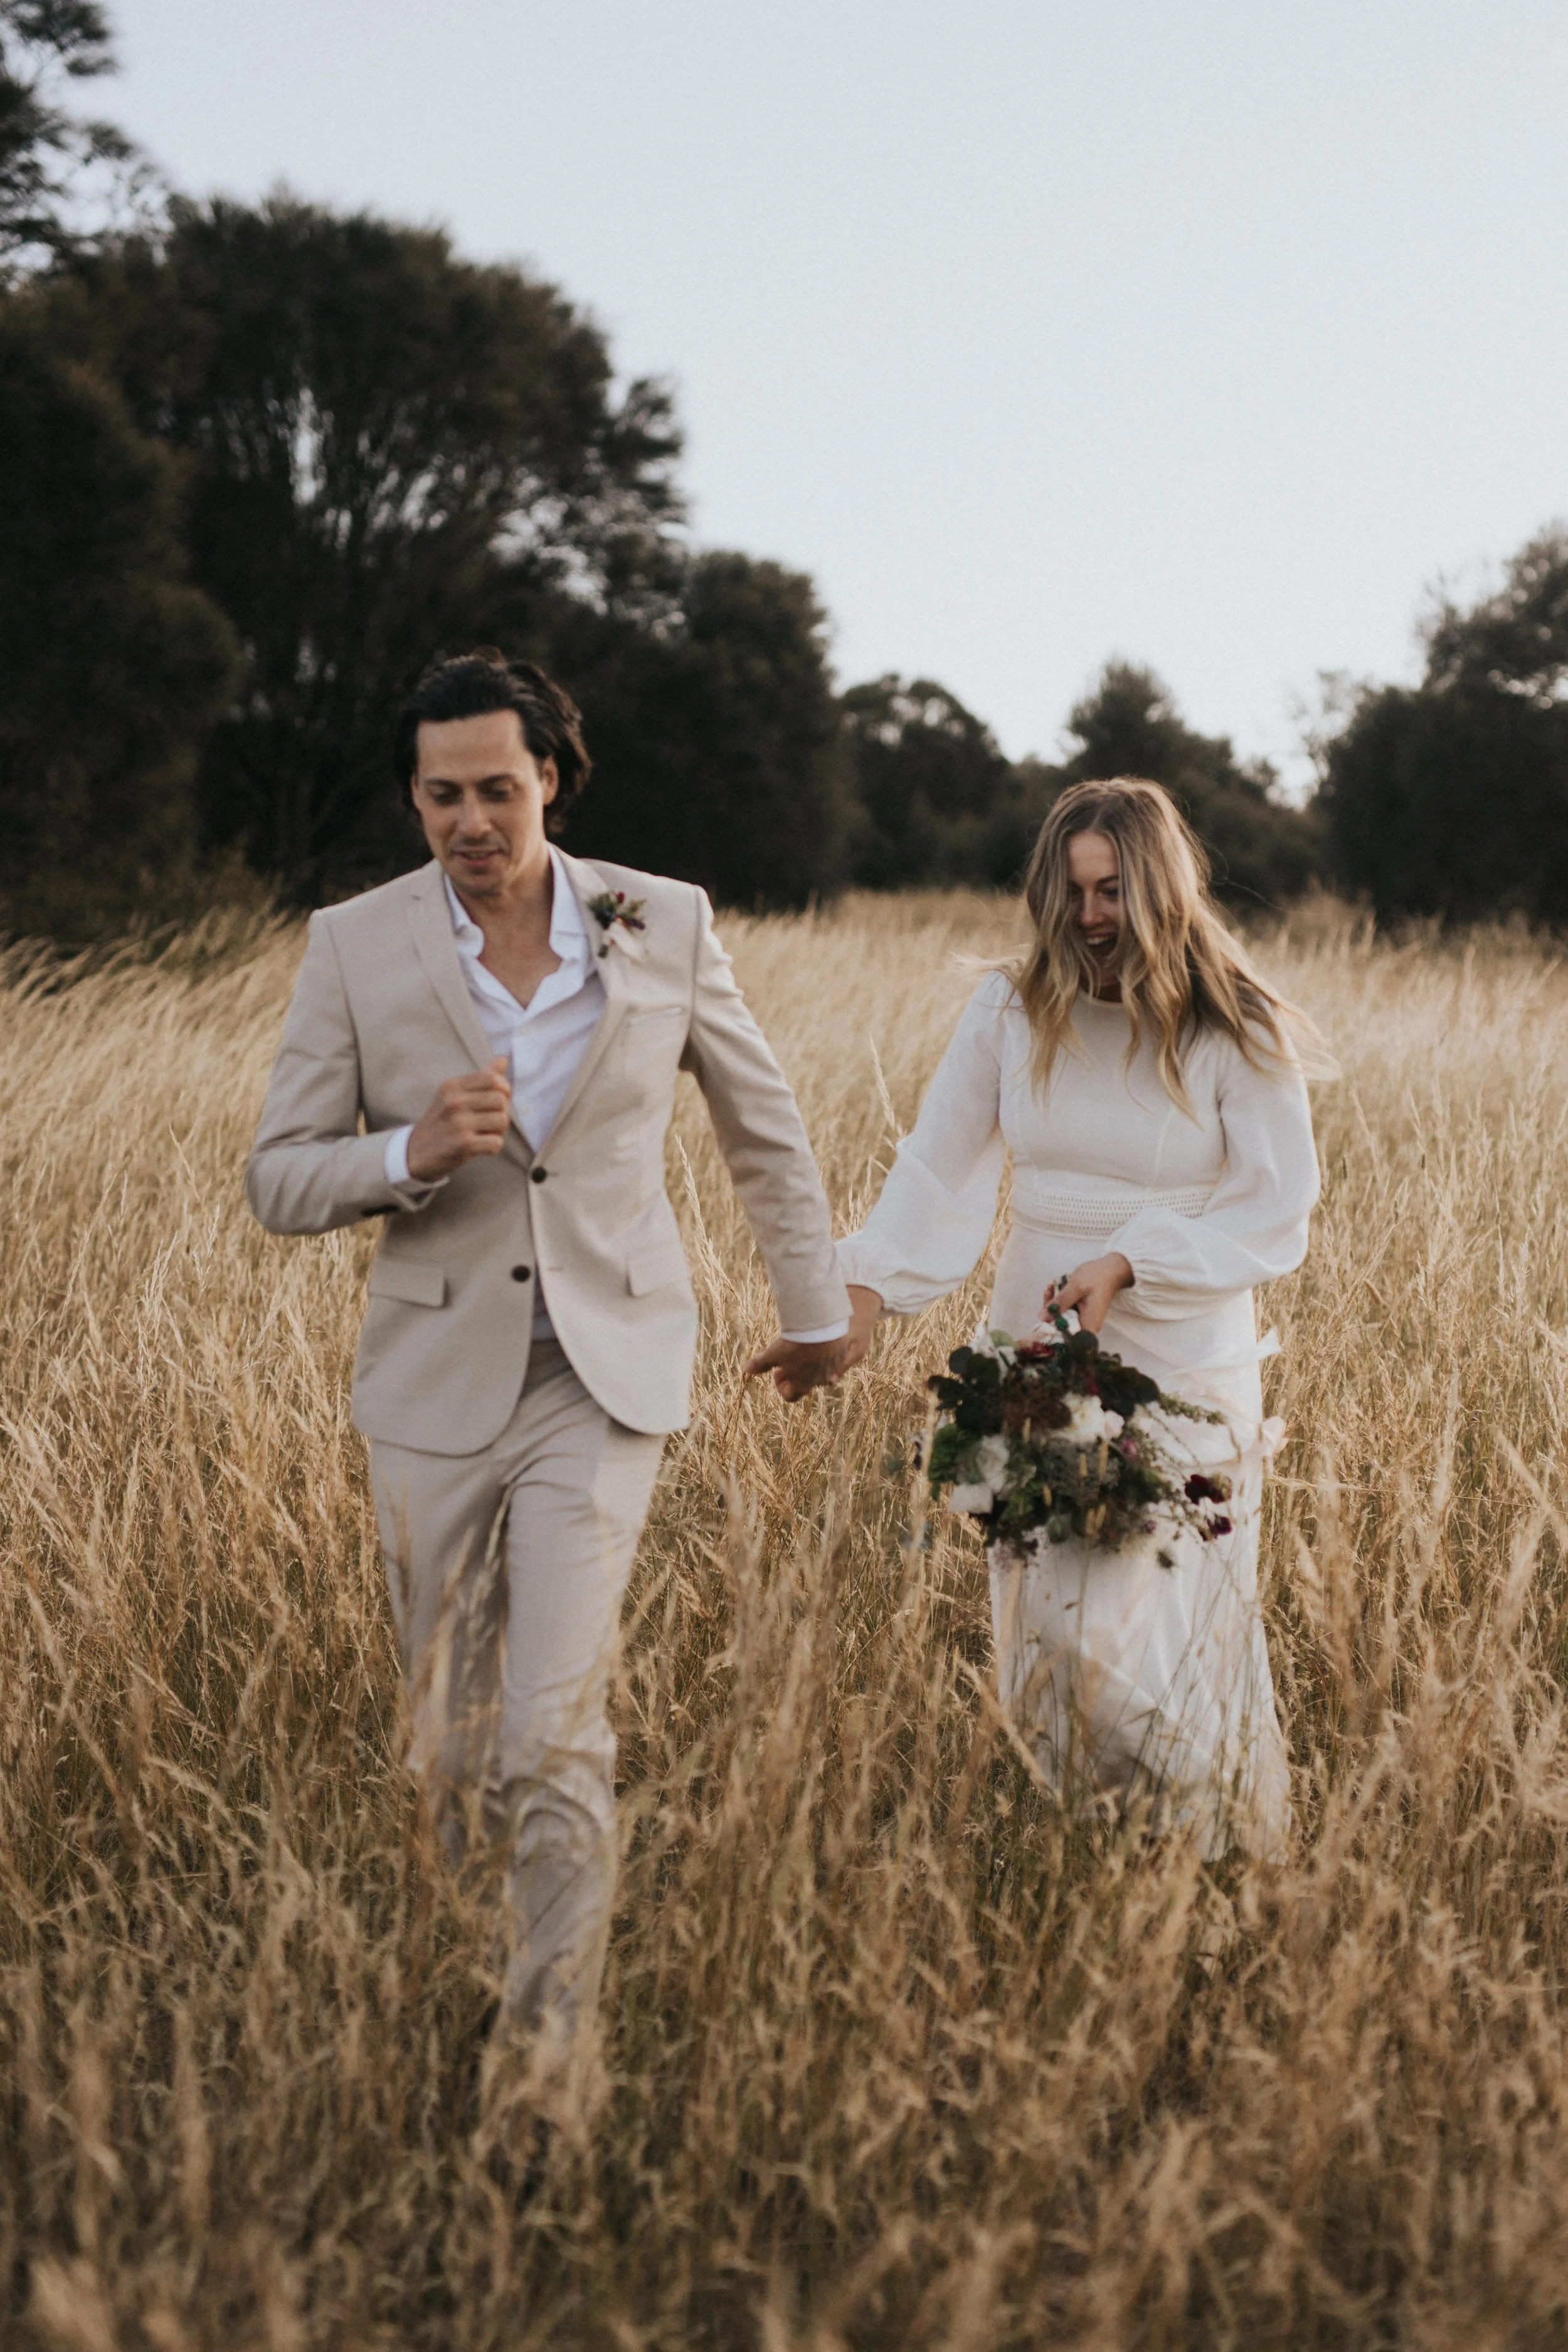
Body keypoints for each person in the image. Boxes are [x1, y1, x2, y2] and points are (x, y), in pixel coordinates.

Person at [246, 649, 850, 2043]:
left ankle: (548, 2056)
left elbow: (761, 1129)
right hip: (430, 1387)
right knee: (450, 1750)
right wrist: (404, 1149)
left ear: (552, 784)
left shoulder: (662, 921)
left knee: (554, 1731)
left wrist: (813, 1311)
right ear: (413, 796)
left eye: (496, 791)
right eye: (440, 795)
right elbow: (275, 1178)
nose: (470, 823)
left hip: (602, 1376)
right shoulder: (355, 943)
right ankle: (462, 1986)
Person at [836, 778, 1322, 1856]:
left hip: (1182, 1356)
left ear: (1162, 892)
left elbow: (1277, 1208)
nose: (1092, 916)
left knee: (1144, 1640)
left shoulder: (1233, 1021)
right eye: (1073, 892)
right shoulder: (1010, 1009)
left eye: (1113, 892)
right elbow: (939, 1168)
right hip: (1038, 1354)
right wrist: (860, 1292)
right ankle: (1100, 1874)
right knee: (1056, 1642)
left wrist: (1133, 1259)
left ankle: (1211, 1861)